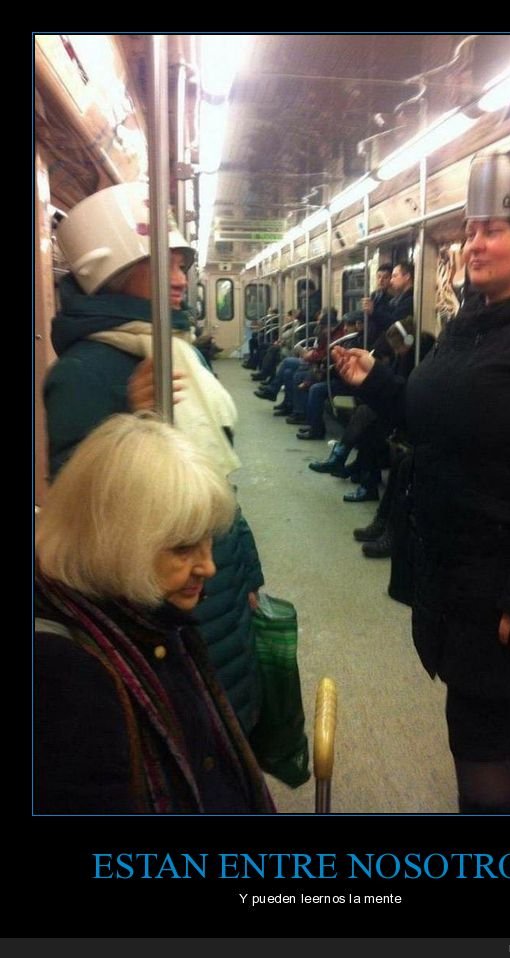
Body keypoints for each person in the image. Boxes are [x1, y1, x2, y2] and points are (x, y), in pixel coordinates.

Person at [333, 148, 510, 814]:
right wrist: (377, 382)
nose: (475, 244)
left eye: (494, 230)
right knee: (487, 714)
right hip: (452, 569)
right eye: (471, 229)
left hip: (502, 576)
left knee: (475, 727)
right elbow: (431, 419)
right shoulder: (473, 325)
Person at [45, 182, 264, 736]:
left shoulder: (180, 353)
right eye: (163, 263)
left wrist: (248, 571)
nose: (181, 278)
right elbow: (84, 521)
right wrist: (129, 421)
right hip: (159, 602)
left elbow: (219, 487)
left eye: (183, 264)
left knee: (230, 722)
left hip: (216, 569)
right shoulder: (83, 373)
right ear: (115, 273)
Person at [35, 413, 276, 814]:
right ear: (116, 544)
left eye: (208, 540)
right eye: (183, 547)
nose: (209, 567)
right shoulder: (68, 677)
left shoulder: (147, 617)